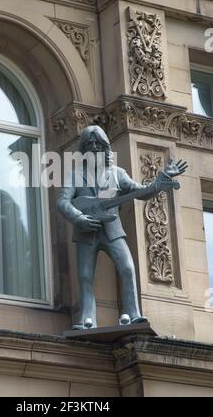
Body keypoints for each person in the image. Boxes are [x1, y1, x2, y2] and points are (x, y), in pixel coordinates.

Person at [57, 125, 188, 330]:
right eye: (89, 144)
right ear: (83, 149)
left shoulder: (118, 173)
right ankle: (86, 320)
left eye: (97, 143)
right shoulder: (74, 175)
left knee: (127, 268)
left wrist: (163, 179)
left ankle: (134, 314)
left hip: (112, 231)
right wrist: (79, 218)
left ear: (104, 147)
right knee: (84, 276)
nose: (93, 147)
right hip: (86, 231)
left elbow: (142, 192)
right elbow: (63, 202)